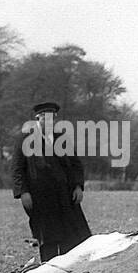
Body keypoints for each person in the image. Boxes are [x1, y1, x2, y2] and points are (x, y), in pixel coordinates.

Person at [11, 101, 92, 261]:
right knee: (48, 238)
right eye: (44, 118)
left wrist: (78, 186)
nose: (48, 122)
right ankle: (49, 272)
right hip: (40, 196)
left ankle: (69, 272)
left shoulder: (61, 137)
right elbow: (17, 168)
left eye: (52, 118)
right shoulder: (25, 138)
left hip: (65, 195)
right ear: (37, 118)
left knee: (72, 236)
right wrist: (23, 192)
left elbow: (76, 164)